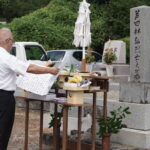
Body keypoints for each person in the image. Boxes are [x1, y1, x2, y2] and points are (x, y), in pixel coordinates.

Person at [0, 28, 59, 150]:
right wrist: (50, 70)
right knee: (2, 132)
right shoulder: (6, 56)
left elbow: (7, 72)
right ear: (8, 41)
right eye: (12, 41)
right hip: (3, 98)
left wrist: (43, 66)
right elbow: (30, 68)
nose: (12, 44)